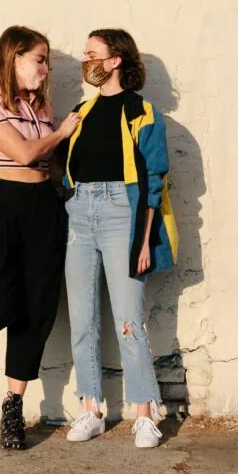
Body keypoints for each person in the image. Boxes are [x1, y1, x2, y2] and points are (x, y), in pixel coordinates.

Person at [60, 28, 179, 449]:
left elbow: (153, 180)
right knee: (82, 317)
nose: (85, 61)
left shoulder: (142, 111)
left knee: (128, 319)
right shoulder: (81, 112)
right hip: (79, 213)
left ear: (115, 60)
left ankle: (145, 415)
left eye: (92, 54)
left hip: (121, 214)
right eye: (84, 54)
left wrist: (144, 240)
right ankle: (91, 409)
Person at [0, 25, 81, 450]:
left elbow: (49, 163)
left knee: (37, 308)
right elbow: (25, 152)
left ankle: (13, 405)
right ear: (13, 58)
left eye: (47, 60)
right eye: (39, 60)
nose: (45, 69)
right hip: (4, 203)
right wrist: (62, 132)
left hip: (43, 205)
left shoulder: (41, 107)